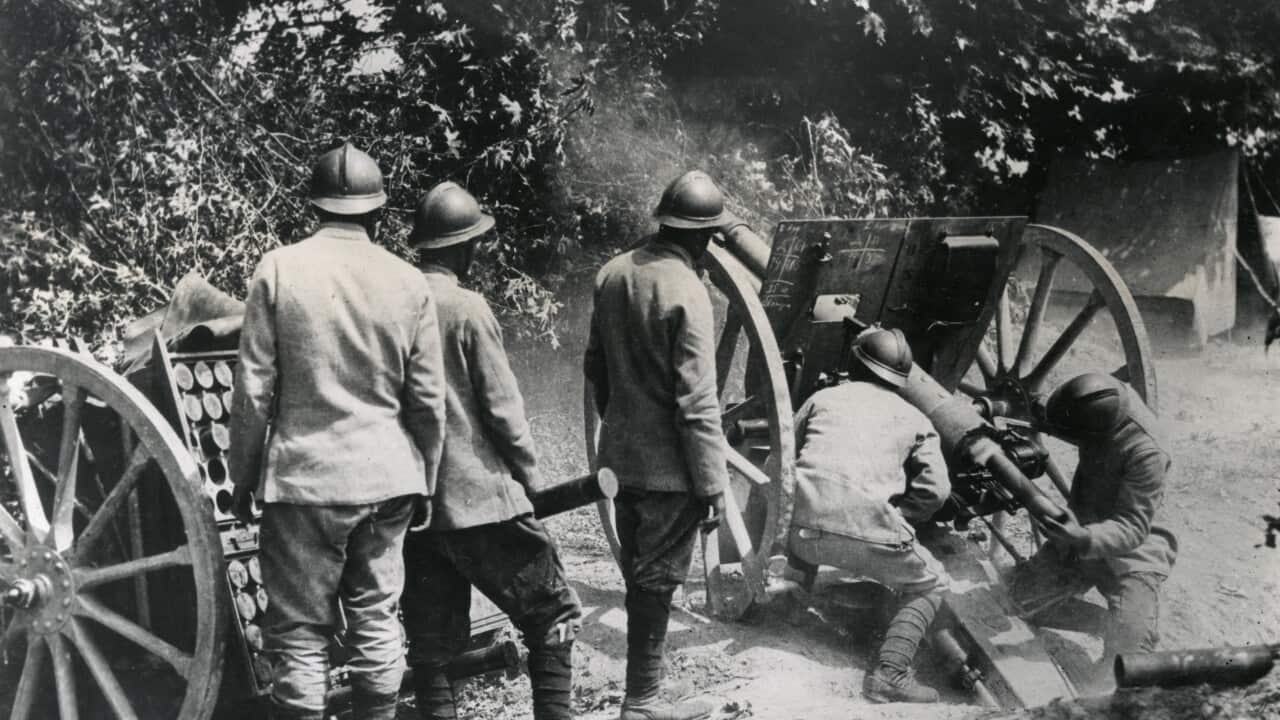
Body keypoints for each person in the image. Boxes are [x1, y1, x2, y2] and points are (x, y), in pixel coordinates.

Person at [228, 143, 447, 720]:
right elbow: (427, 400)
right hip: (386, 477)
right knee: (377, 618)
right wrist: (425, 476)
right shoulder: (409, 281)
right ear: (378, 213)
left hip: (303, 481)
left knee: (299, 630)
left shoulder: (277, 268)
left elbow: (253, 391)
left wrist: (242, 479)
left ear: (314, 208)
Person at [400, 181, 583, 720]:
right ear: (463, 248)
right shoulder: (467, 308)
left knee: (431, 646)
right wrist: (530, 477)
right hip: (479, 499)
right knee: (553, 611)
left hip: (415, 506)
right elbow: (504, 413)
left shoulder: (391, 305)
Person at [584, 170, 732, 720]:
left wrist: (620, 424)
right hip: (671, 471)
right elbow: (697, 403)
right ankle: (643, 700)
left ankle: (644, 693)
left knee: (638, 579)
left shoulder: (612, 273)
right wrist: (714, 485)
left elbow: (595, 367)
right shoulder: (689, 290)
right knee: (656, 584)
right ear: (699, 237)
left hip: (620, 462)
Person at [786, 328, 952, 704]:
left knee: (815, 508)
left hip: (802, 537)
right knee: (933, 583)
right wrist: (899, 517)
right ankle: (890, 674)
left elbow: (780, 463)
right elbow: (937, 490)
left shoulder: (822, 398)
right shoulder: (915, 418)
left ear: (856, 362)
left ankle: (790, 605)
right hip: (871, 538)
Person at [1014, 372, 1177, 690]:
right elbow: (1060, 421)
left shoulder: (1146, 452)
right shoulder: (1100, 399)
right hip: (1084, 526)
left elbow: (1132, 526)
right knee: (1020, 598)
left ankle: (1125, 630)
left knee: (1127, 655)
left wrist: (1083, 538)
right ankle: (1103, 623)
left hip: (1132, 549)